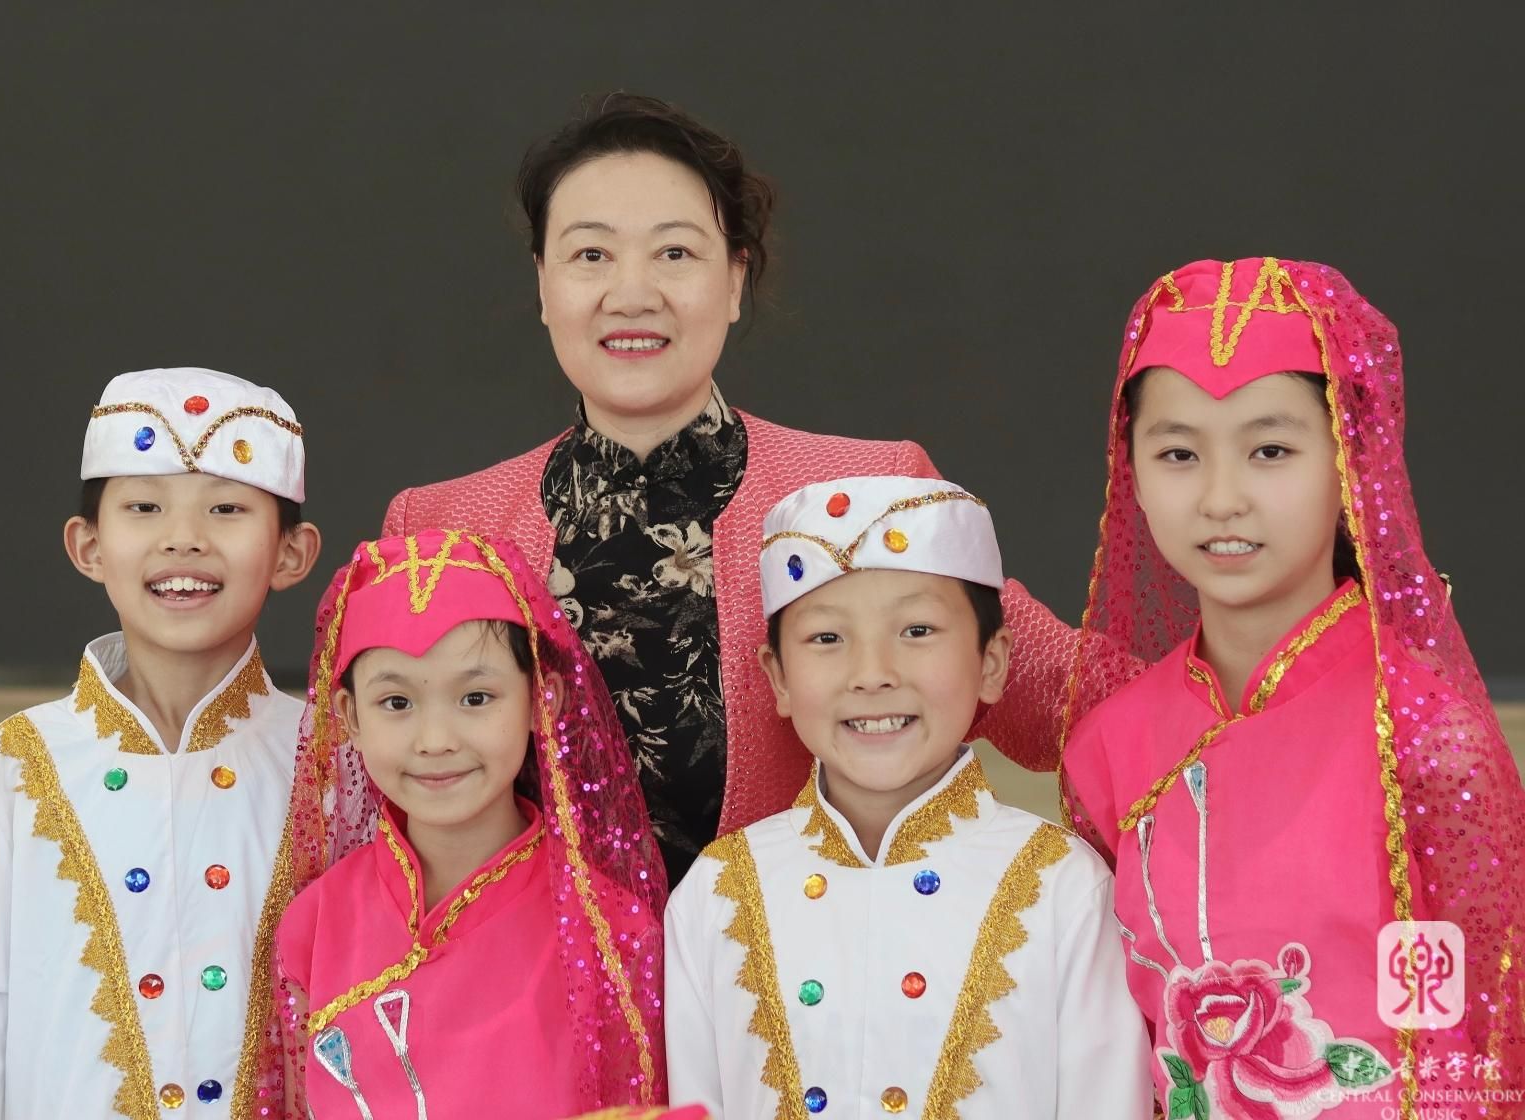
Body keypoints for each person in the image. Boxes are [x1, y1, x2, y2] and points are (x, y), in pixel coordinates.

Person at [383, 93, 1079, 885]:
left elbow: (1071, 702)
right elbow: (374, 811)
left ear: (736, 278)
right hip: (521, 967)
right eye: (591, 255)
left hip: (805, 957)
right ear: (544, 284)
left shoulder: (869, 493)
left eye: (675, 252)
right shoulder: (438, 528)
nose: (632, 292)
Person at [1060, 258, 1525, 1115]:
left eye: (1270, 450)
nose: (1221, 499)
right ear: (1132, 471)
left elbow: (1473, 1048)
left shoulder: (1426, 740)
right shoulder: (1108, 749)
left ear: (1350, 460)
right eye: (1178, 453)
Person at [664, 475, 1151, 1117]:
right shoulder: (716, 891)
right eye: (827, 638)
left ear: (992, 662)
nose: (873, 675)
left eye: (917, 630)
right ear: (777, 677)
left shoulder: (1064, 886)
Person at [0, 369, 321, 1118]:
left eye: (227, 508)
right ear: (90, 546)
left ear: (290, 554)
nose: (184, 537)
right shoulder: (23, 758)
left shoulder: (328, 753)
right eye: (143, 507)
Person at [267, 529, 667, 1118]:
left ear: (542, 700)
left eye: (476, 698)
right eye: (396, 703)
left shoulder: (611, 934)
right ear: (348, 715)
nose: (435, 741)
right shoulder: (315, 924)